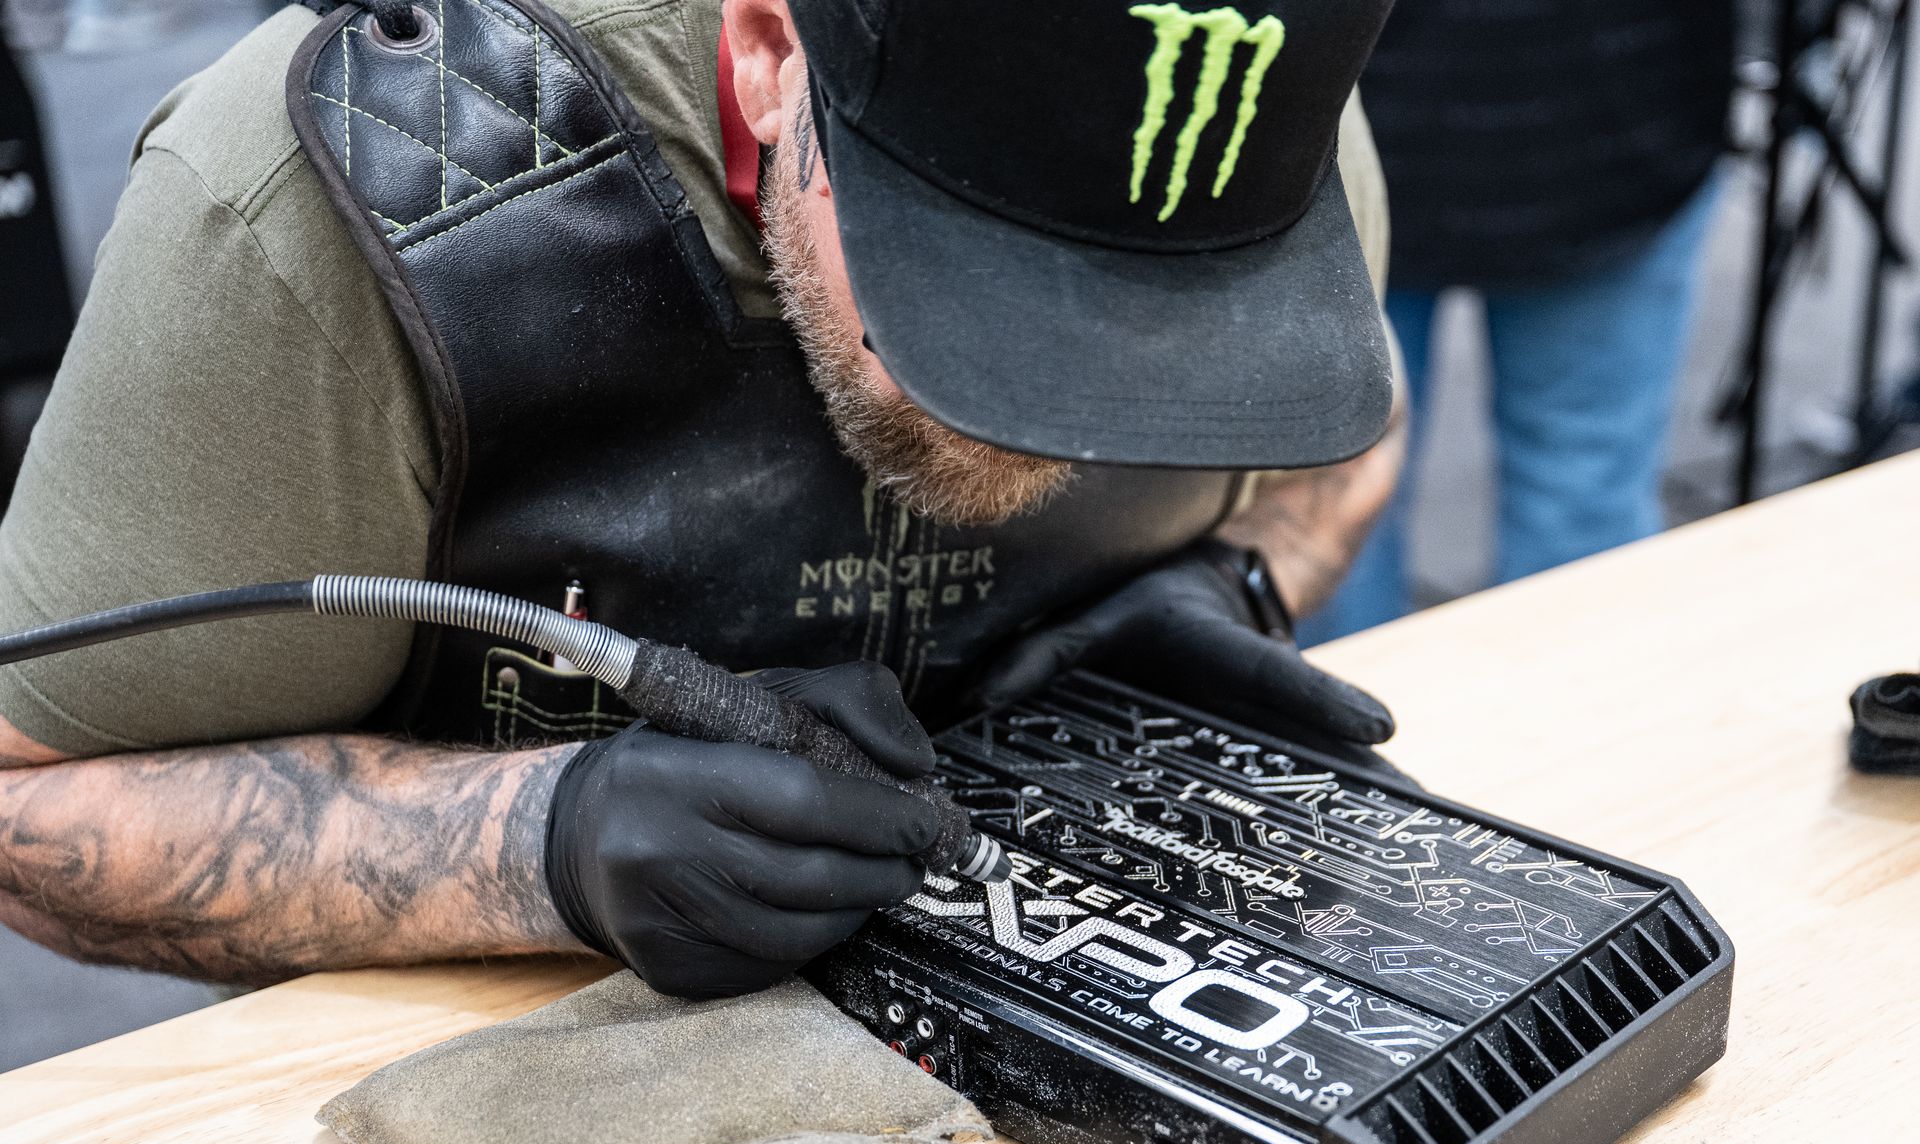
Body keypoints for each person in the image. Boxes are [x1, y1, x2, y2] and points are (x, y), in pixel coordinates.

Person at [0, 0, 1405, 999]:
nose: (1037, 403)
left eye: (1158, 326)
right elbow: (23, 809)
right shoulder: (334, 207)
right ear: (770, 53)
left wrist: (1233, 584)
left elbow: (1353, 447)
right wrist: (533, 843)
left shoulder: (1250, 119)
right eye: (980, 296)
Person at [1305, 0, 1735, 640]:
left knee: (1328, 504)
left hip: (1346, 109)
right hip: (1613, 112)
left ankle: (1332, 701)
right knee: (1579, 492)